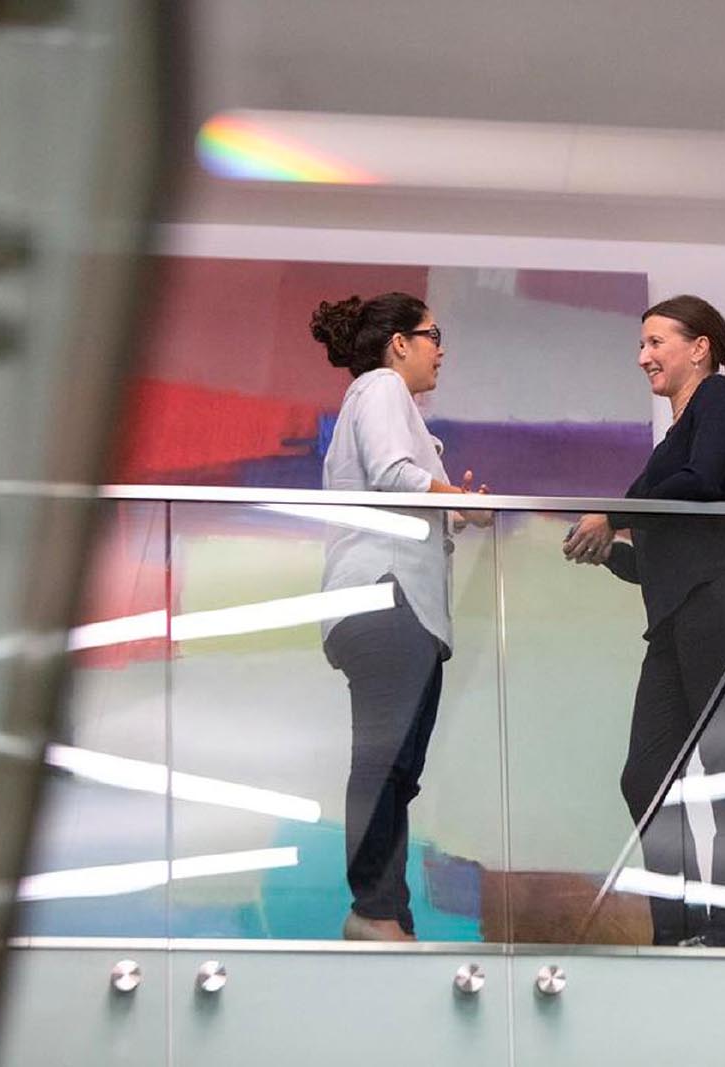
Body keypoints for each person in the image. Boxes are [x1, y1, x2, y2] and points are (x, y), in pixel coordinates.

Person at [564, 295, 725, 948]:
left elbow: (703, 481)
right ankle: (680, 925)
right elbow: (663, 557)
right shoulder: (675, 438)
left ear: (700, 348)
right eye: (642, 344)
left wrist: (614, 514)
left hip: (722, 598)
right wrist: (611, 552)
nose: (644, 356)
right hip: (681, 612)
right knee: (646, 774)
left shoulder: (717, 399)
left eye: (656, 342)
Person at [310, 291, 487, 942]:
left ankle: (389, 909)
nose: (441, 350)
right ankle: (373, 908)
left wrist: (453, 505)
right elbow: (391, 472)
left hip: (395, 601)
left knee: (398, 770)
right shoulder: (382, 387)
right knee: (385, 760)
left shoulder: (381, 402)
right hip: (386, 594)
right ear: (399, 344)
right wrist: (455, 497)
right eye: (432, 335)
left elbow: (400, 484)